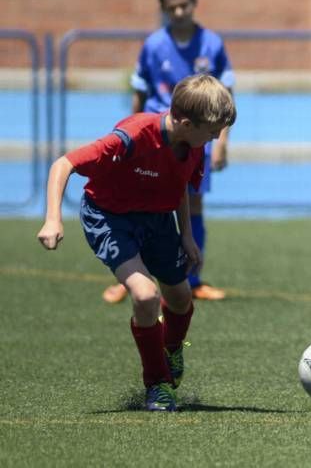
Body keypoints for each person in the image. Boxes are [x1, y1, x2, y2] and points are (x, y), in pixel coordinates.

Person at [37, 74, 236, 411]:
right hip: (111, 219)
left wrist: (186, 234)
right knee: (146, 296)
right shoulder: (132, 136)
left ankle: (172, 348)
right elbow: (64, 163)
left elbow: (180, 185)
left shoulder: (194, 145)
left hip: (157, 219)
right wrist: (52, 218)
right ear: (186, 123)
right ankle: (157, 384)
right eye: (213, 131)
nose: (217, 138)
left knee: (181, 296)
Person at [103, 0, 235, 304]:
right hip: (155, 141)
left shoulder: (212, 44)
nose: (179, 12)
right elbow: (140, 94)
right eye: (172, 7)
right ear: (163, 7)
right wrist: (130, 136)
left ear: (194, 3)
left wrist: (222, 143)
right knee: (141, 204)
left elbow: (226, 98)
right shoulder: (153, 45)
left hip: (197, 141)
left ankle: (192, 279)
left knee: (193, 205)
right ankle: (130, 275)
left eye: (184, 5)